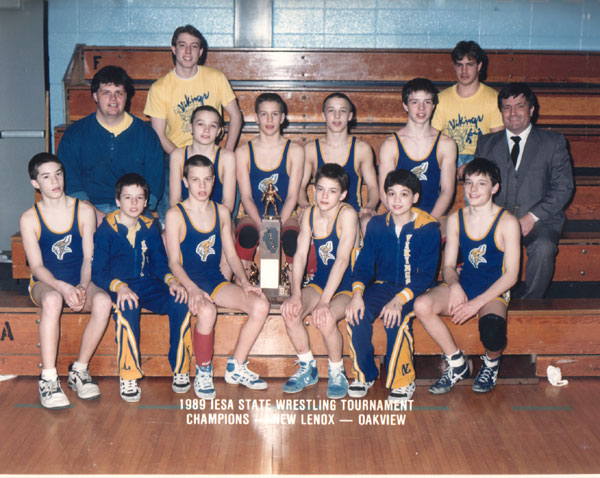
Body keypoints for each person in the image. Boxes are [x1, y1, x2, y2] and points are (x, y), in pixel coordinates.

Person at [165, 155, 270, 399]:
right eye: (195, 180)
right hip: (186, 282)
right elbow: (173, 262)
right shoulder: (175, 214)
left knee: (261, 305)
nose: (202, 187)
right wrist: (191, 289)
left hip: (214, 281)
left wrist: (244, 283)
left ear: (214, 181)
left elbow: (232, 256)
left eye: (207, 180)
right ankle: (203, 369)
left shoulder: (222, 211)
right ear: (185, 182)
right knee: (207, 311)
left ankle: (236, 366)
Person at [413, 158, 520, 394]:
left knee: (492, 330)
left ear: (495, 188)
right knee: (421, 305)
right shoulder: (455, 219)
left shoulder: (508, 222)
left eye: (481, 184)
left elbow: (511, 275)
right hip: (465, 283)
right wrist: (453, 285)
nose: (473, 189)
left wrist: (476, 304)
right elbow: (449, 267)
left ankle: (491, 363)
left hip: (494, 290)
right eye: (469, 183)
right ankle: (457, 363)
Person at [20, 153, 112, 409]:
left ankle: (79, 370)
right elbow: (37, 267)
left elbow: (88, 258)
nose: (55, 181)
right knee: (52, 300)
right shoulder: (29, 218)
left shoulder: (83, 210)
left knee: (104, 301)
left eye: (58, 174)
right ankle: (48, 379)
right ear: (35, 183)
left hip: (79, 278)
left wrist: (83, 286)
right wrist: (62, 288)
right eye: (46, 176)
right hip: (47, 283)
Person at [91, 173, 190, 402]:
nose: (134, 203)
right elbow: (98, 273)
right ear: (118, 201)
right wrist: (119, 287)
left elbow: (159, 263)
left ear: (146, 202)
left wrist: (172, 281)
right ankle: (128, 373)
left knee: (180, 300)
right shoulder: (106, 229)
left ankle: (180, 368)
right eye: (128, 198)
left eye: (139, 198)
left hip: (147, 284)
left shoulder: (150, 225)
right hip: (118, 286)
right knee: (127, 306)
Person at [345, 169, 441, 401]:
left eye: (404, 194)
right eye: (392, 194)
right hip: (383, 285)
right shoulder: (377, 225)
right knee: (356, 314)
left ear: (415, 198)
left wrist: (398, 301)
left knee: (394, 319)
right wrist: (356, 295)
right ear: (385, 197)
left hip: (414, 290)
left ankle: (403, 381)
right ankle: (365, 373)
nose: (397, 200)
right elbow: (364, 264)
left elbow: (426, 276)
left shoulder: (428, 227)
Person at [475, 83, 574, 299]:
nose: (512, 113)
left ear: (531, 110)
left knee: (544, 247)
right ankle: (495, 299)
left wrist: (532, 216)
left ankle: (530, 304)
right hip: (497, 220)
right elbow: (479, 188)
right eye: (507, 107)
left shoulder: (554, 142)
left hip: (540, 221)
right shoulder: (485, 144)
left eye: (519, 106)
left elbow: (563, 187)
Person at [281, 164, 360, 399]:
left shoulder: (348, 214)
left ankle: (337, 371)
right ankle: (308, 367)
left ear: (343, 194)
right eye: (321, 189)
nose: (325, 196)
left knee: (325, 319)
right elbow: (301, 255)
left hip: (350, 281)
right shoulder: (310, 213)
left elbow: (343, 260)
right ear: (313, 190)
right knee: (290, 311)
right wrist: (295, 294)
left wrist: (324, 302)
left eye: (332, 191)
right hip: (323, 279)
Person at [58, 66, 164, 225]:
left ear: (126, 96)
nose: (113, 99)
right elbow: (70, 180)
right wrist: (93, 213)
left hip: (133, 210)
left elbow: (154, 182)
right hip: (88, 209)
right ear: (95, 96)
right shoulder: (75, 134)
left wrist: (130, 214)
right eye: (106, 92)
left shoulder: (146, 134)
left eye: (119, 93)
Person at [144, 24, 242, 154]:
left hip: (211, 153)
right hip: (176, 153)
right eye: (182, 45)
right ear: (174, 49)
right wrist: (182, 159)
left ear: (200, 52)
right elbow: (159, 135)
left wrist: (227, 152)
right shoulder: (159, 88)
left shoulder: (216, 77)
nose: (188, 51)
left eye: (194, 46)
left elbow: (235, 115)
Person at [235, 93, 304, 269]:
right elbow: (246, 197)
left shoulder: (295, 150)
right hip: (252, 214)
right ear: (256, 117)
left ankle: (294, 291)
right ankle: (243, 286)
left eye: (275, 114)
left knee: (292, 239)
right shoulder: (243, 152)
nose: (269, 119)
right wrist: (262, 224)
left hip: (286, 214)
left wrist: (278, 224)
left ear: (282, 118)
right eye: (264, 114)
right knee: (247, 235)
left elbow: (292, 196)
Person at [379, 78, 457, 225]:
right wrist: (403, 220)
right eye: (415, 102)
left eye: (427, 102)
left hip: (435, 215)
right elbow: (384, 192)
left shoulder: (446, 144)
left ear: (433, 105)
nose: (421, 108)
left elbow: (447, 191)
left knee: (450, 230)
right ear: (405, 105)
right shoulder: (390, 145)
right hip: (399, 214)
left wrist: (429, 221)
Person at [300, 93, 379, 234]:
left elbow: (373, 187)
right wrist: (305, 205)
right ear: (324, 116)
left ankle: (364, 256)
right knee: (306, 219)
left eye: (342, 111)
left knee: (369, 222)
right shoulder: (311, 149)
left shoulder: (362, 149)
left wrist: (370, 206)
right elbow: (300, 187)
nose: (337, 116)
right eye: (331, 111)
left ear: (350, 116)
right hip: (321, 213)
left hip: (353, 212)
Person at [431, 41, 504, 178]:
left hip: (481, 159)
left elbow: (497, 144)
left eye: (470, 65)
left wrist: (472, 165)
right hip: (448, 156)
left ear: (479, 66)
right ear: (454, 67)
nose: (464, 71)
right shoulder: (441, 99)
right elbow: (433, 142)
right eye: (460, 65)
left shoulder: (494, 99)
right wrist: (449, 164)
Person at [169, 105, 236, 213]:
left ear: (219, 131)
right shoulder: (177, 155)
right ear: (191, 127)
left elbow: (228, 204)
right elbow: (174, 201)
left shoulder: (226, 157)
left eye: (213, 126)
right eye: (201, 124)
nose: (206, 130)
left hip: (217, 218)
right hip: (186, 217)